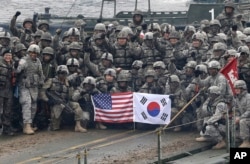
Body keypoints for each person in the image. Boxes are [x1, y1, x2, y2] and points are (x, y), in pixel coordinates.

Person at [40, 65, 87, 132]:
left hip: (65, 102)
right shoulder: (51, 81)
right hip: (55, 103)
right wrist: (48, 100)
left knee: (76, 105)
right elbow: (42, 91)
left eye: (64, 73)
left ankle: (78, 126)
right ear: (57, 73)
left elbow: (71, 96)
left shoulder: (67, 82)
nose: (62, 75)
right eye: (61, 73)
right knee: (55, 127)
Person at [15, 44, 44, 135]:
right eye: (32, 52)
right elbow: (17, 71)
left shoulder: (38, 61)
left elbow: (40, 73)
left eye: (35, 53)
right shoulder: (24, 60)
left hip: (34, 86)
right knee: (27, 104)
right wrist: (17, 65)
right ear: (29, 52)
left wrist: (42, 81)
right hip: (24, 86)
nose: (33, 54)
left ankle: (29, 124)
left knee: (34, 106)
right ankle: (26, 125)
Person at [0, 49, 15, 135]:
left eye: (9, 55)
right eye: (6, 55)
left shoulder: (12, 64)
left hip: (9, 91)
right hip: (1, 90)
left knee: (7, 111)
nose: (8, 57)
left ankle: (6, 128)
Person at [233, 80, 250, 147]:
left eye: (238, 88)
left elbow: (249, 110)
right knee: (232, 121)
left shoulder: (248, 97)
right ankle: (239, 138)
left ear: (243, 88)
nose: (236, 90)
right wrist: (236, 117)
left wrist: (240, 118)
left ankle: (246, 142)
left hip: (247, 118)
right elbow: (236, 110)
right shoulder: (237, 98)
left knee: (243, 121)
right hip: (244, 118)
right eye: (235, 89)